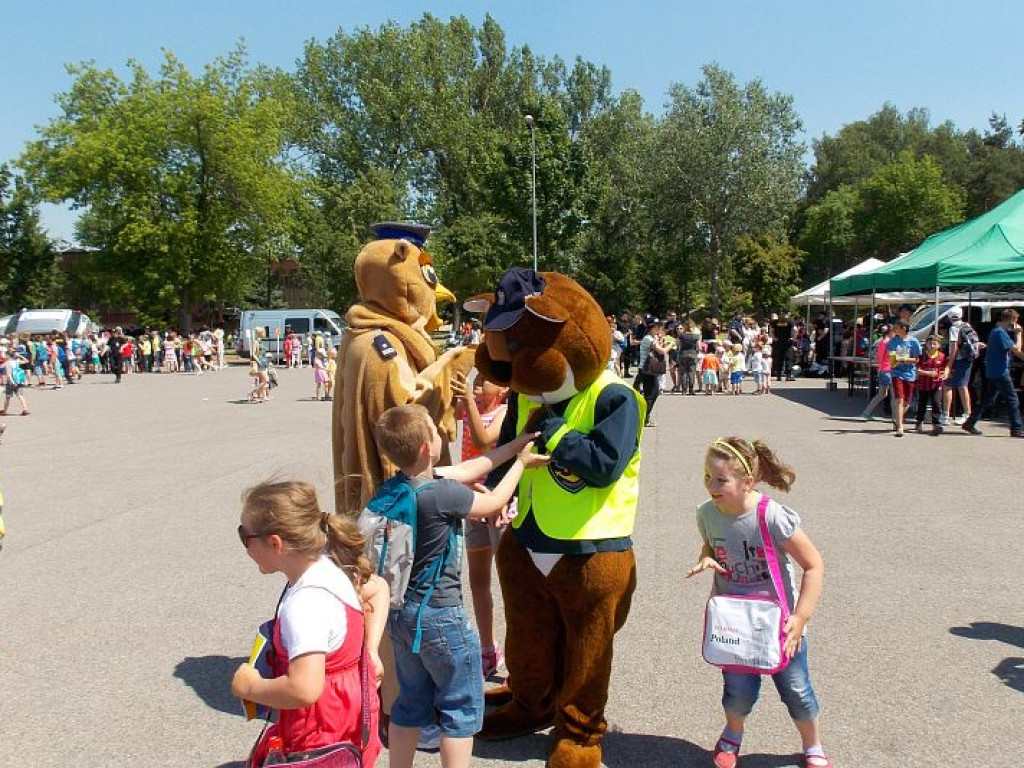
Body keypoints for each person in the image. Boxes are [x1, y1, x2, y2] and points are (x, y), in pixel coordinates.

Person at [373, 404, 547, 768]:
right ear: (427, 448)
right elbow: (495, 502)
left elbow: (473, 467)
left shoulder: (394, 488)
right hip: (442, 619)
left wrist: (517, 444)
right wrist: (521, 465)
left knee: (410, 703)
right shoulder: (443, 494)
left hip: (401, 617)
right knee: (460, 709)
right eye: (435, 433)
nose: (440, 436)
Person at [686, 437, 828, 768]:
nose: (711, 485)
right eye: (707, 476)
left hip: (781, 625)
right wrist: (706, 557)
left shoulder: (772, 516)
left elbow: (814, 565)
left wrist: (801, 617)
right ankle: (732, 735)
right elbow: (710, 544)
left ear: (748, 481)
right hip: (734, 623)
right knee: (737, 694)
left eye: (721, 479)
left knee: (797, 691)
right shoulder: (707, 513)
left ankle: (812, 744)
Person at [230, 480, 387, 767]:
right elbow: (378, 587)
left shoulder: (305, 604)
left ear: (275, 543)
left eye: (245, 537)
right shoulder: (329, 567)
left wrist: (250, 687)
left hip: (318, 734)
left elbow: (304, 689)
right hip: (349, 721)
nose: (246, 548)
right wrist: (372, 650)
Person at [451, 371, 510, 679]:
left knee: (510, 582)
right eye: (473, 380)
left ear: (505, 387)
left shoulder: (504, 412)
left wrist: (467, 402)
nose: (476, 385)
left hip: (497, 502)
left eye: (485, 380)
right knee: (478, 581)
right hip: (471, 503)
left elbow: (484, 439)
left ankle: (519, 652)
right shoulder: (470, 406)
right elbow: (446, 416)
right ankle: (487, 648)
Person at [962, 308, 1024, 438]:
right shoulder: (1000, 333)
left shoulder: (998, 332)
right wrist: (1019, 334)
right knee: (1012, 399)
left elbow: (1014, 352)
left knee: (988, 399)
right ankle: (1016, 429)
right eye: (1016, 320)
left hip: (994, 370)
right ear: (1012, 320)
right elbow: (1016, 349)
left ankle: (970, 422)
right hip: (1000, 371)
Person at [886, 320, 921, 437]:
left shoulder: (914, 341)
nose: (894, 330)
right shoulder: (893, 342)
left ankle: (897, 419)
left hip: (910, 374)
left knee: (907, 402)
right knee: (899, 399)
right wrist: (896, 360)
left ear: (904, 328)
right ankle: (900, 427)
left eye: (896, 327)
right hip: (897, 373)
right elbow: (892, 359)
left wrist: (905, 359)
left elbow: (916, 359)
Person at [942, 307, 976, 425]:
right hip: (967, 359)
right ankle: (965, 413)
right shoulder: (966, 325)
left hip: (958, 360)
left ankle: (948, 415)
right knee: (961, 386)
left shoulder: (954, 328)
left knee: (950, 386)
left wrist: (948, 365)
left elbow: (953, 348)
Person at [634, 320, 667, 427]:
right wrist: (670, 345)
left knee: (655, 393)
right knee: (650, 395)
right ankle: (644, 418)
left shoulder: (652, 338)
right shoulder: (648, 338)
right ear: (652, 328)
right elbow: (661, 351)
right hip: (646, 370)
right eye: (658, 328)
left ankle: (645, 416)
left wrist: (661, 339)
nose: (659, 330)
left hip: (649, 370)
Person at [861, 325, 895, 422]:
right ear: (890, 332)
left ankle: (867, 412)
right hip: (889, 370)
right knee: (893, 395)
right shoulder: (889, 343)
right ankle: (895, 417)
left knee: (882, 394)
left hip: (881, 369)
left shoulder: (881, 342)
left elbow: (878, 357)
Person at [914, 335, 947, 435]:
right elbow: (917, 370)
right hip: (923, 384)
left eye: (934, 344)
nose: (932, 345)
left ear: (939, 345)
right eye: (929, 343)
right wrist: (928, 373)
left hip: (936, 385)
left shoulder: (942, 356)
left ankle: (936, 424)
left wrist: (944, 374)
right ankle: (919, 422)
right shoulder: (922, 356)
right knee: (922, 404)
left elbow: (944, 369)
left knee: (936, 404)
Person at [0, 349, 30, 416]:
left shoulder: (7, 363)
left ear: (8, 355)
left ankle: (5, 411)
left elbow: (8, 374)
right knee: (20, 395)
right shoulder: (17, 361)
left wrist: (12, 382)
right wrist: (20, 356)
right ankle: (25, 409)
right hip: (19, 381)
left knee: (8, 396)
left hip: (11, 382)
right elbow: (27, 361)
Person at [677, 320, 701, 395]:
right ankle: (691, 389)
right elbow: (699, 347)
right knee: (691, 372)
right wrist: (696, 351)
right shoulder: (696, 336)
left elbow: (678, 345)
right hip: (693, 354)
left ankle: (684, 390)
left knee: (683, 372)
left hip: (683, 354)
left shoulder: (681, 336)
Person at [771, 310, 795, 381]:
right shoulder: (790, 321)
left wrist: (774, 338)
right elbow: (795, 330)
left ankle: (778, 375)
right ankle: (788, 375)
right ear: (788, 313)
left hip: (778, 342)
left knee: (779, 358)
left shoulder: (775, 322)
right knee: (788, 358)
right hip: (788, 342)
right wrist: (793, 338)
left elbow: (771, 330)